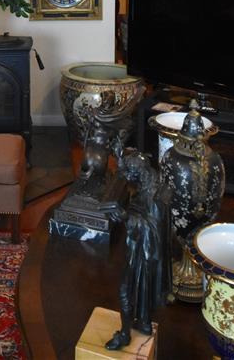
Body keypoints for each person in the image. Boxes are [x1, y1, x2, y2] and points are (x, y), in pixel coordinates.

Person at [103, 150, 170, 351]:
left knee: (125, 291)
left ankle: (125, 335)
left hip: (145, 253)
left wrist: (126, 217)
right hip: (139, 248)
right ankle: (144, 322)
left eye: (129, 176)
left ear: (137, 173)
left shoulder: (156, 195)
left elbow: (154, 231)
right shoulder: (151, 181)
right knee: (142, 290)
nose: (127, 181)